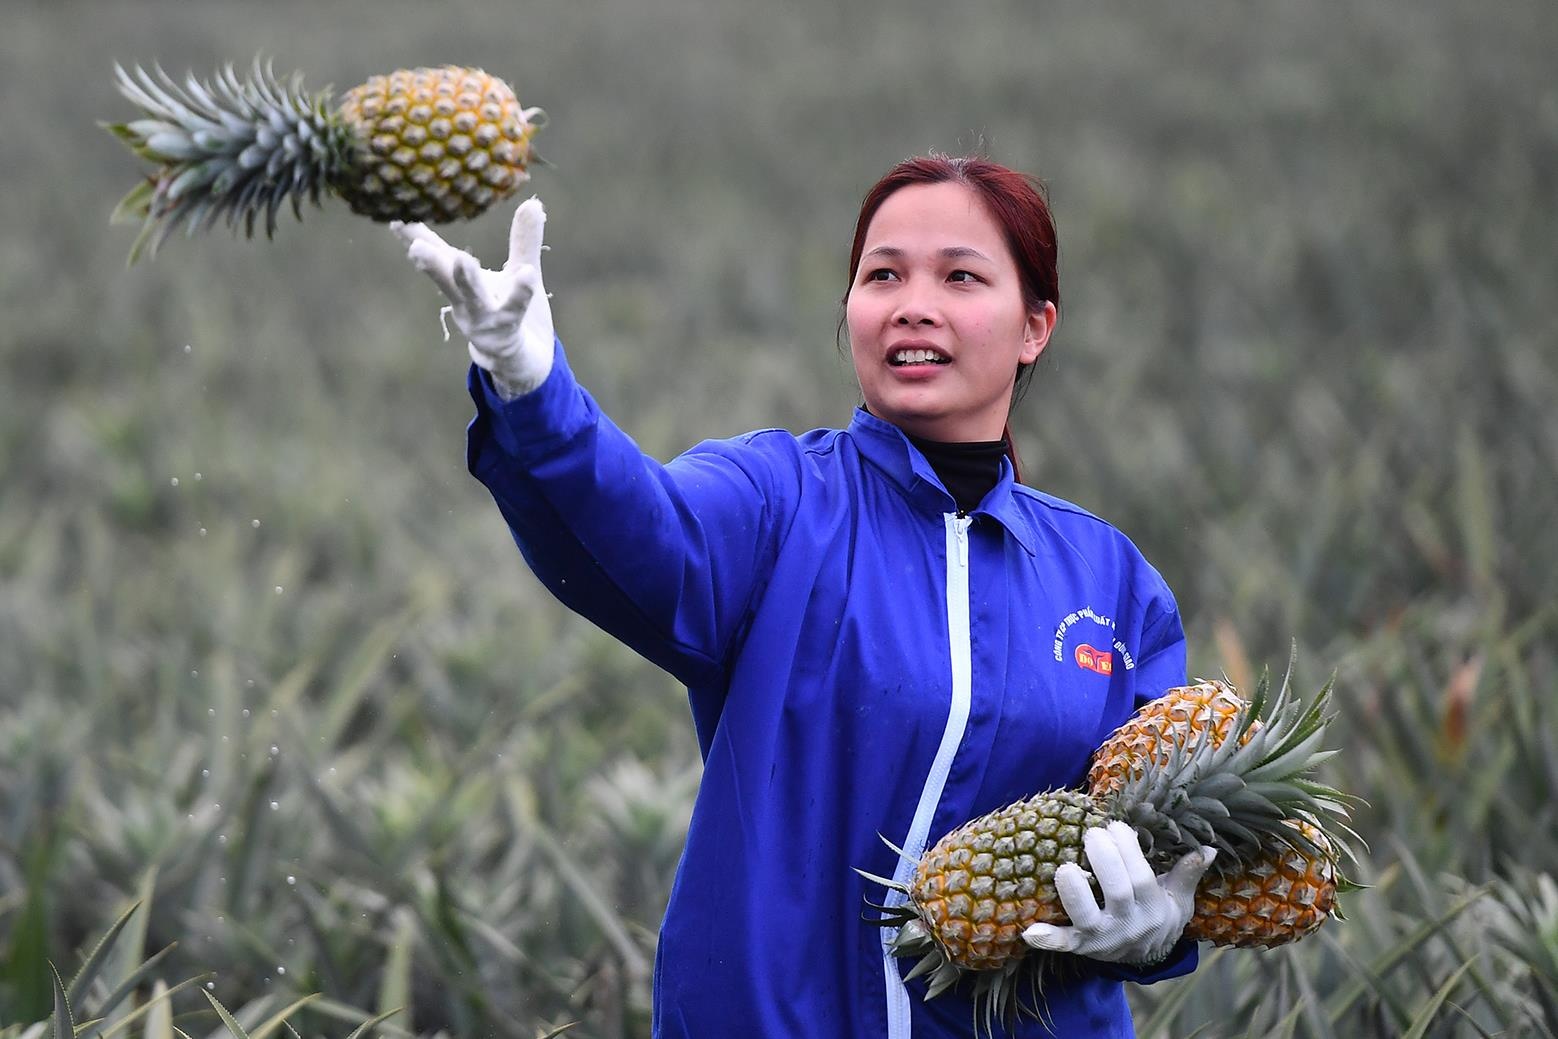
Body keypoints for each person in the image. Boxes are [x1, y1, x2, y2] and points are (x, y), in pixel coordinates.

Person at [392, 154, 1213, 1038]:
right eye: (882, 274)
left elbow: (1183, 839)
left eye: (961, 276)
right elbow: (645, 531)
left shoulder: (1110, 580)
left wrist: (1159, 931)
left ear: (1034, 326)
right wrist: (532, 386)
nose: (912, 302)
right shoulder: (779, 499)